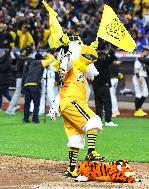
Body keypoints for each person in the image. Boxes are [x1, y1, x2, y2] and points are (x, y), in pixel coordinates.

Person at [49, 40, 105, 178]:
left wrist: (55, 107)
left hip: (68, 104)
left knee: (76, 137)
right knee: (94, 120)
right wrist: (67, 50)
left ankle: (72, 169)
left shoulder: (81, 73)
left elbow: (93, 71)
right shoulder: (71, 68)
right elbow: (65, 65)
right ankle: (91, 152)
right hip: (72, 101)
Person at [22, 46, 55, 124]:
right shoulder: (41, 62)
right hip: (35, 85)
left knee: (27, 103)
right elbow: (52, 58)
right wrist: (46, 54)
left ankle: (25, 119)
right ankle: (35, 119)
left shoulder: (31, 63)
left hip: (27, 84)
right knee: (36, 103)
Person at [92, 47, 118, 127]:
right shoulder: (103, 63)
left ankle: (99, 121)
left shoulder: (94, 62)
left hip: (95, 86)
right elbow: (113, 57)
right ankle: (108, 121)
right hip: (103, 85)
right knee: (107, 104)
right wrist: (110, 52)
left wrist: (106, 54)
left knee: (98, 104)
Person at [6, 47, 28, 115]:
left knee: (19, 93)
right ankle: (10, 109)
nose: (25, 52)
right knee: (17, 93)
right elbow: (18, 68)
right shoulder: (20, 59)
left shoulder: (22, 59)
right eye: (24, 51)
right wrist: (14, 52)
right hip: (20, 78)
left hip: (22, 78)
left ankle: (11, 109)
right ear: (21, 52)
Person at [133, 46, 149, 117]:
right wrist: (139, 78)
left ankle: (139, 109)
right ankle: (137, 110)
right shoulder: (138, 59)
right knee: (139, 94)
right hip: (139, 78)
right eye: (147, 51)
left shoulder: (143, 59)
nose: (148, 53)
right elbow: (136, 70)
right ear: (144, 51)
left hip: (142, 77)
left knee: (145, 93)